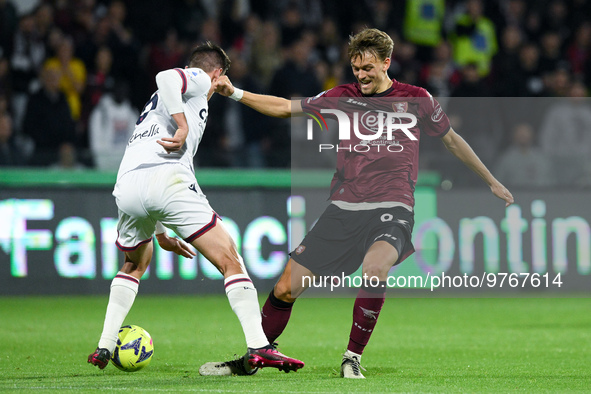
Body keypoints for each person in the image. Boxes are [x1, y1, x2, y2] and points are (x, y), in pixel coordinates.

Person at [199, 28, 514, 379]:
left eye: (367, 68)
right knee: (286, 288)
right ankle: (253, 358)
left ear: (386, 63)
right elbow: (287, 108)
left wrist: (491, 181)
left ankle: (352, 357)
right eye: (356, 68)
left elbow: (452, 141)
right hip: (343, 209)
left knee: (375, 269)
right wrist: (236, 92)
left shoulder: (417, 99)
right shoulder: (341, 96)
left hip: (392, 208)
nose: (361, 75)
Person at [87, 42, 304, 374]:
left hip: (129, 185)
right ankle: (260, 347)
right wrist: (183, 125)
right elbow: (165, 75)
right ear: (217, 73)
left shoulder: (157, 105)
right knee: (230, 259)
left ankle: (104, 345)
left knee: (134, 262)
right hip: (167, 180)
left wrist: (160, 230)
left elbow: (148, 178)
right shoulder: (200, 81)